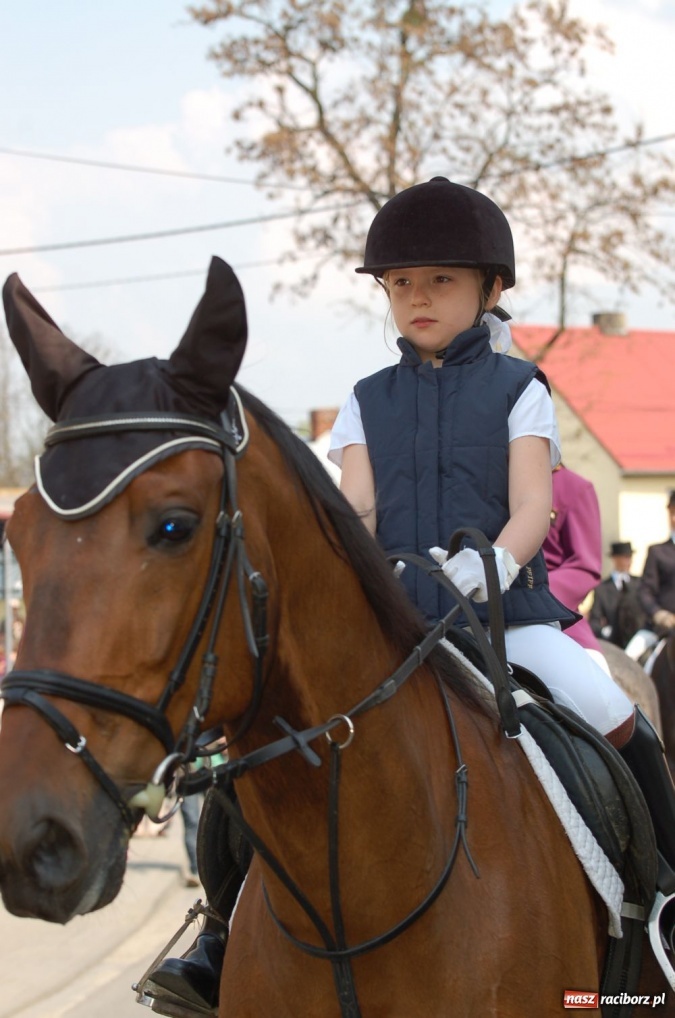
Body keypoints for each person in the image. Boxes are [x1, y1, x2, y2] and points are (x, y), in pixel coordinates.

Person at [144, 179, 675, 1012]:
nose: (417, 297)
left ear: (488, 289)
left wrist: (487, 566)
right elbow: (355, 511)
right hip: (392, 623)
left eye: (439, 280)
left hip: (504, 618)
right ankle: (218, 931)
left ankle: (662, 901)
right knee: (251, 755)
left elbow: (531, 506)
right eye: (399, 284)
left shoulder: (520, 387)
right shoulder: (365, 399)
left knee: (612, 714)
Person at [541, 463, 606, 666]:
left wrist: (537, 595)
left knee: (598, 674)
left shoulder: (575, 488)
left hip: (554, 613)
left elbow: (584, 565)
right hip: (483, 609)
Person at [590, 541, 646, 650]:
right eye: (625, 557)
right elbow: (595, 618)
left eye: (630, 557)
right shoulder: (602, 588)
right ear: (615, 559)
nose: (629, 561)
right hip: (613, 642)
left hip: (637, 639)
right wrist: (604, 631)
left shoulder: (639, 583)